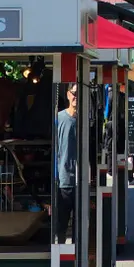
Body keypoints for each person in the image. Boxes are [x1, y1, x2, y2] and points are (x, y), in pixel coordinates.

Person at [56, 83, 77, 241]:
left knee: (79, 224)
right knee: (61, 224)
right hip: (64, 179)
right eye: (73, 93)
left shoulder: (86, 120)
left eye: (78, 93)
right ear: (68, 94)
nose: (76, 96)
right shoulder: (59, 118)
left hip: (81, 180)